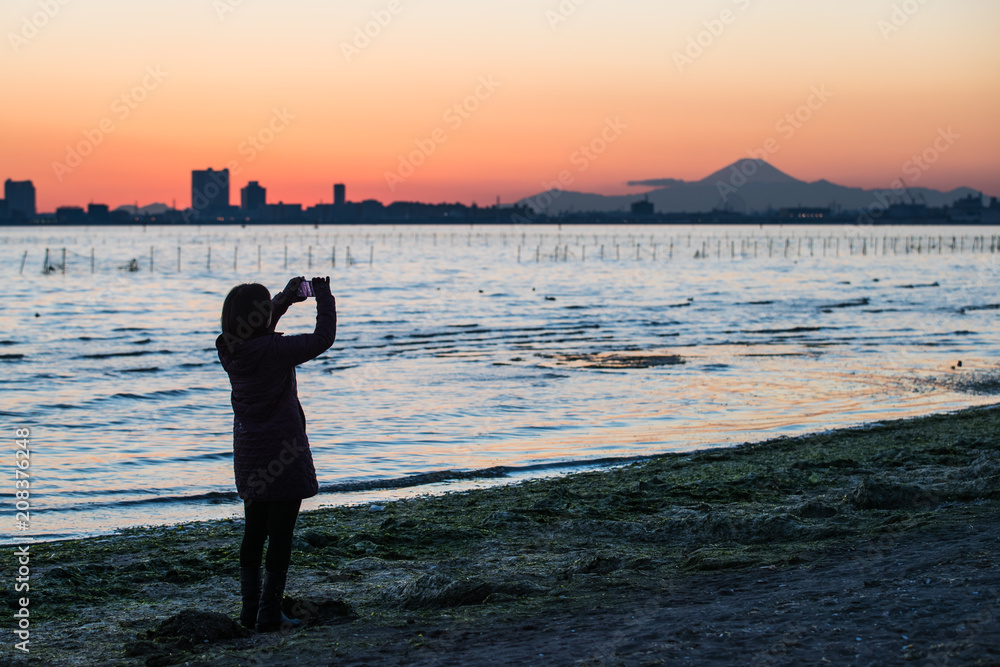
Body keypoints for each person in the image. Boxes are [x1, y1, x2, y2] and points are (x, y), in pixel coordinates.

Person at [216, 276, 336, 632]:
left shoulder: (230, 350)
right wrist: (324, 298)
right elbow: (322, 339)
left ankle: (250, 611)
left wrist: (282, 300)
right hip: (283, 455)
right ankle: (269, 613)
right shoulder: (274, 350)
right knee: (281, 534)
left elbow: (258, 332)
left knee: (254, 532)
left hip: (250, 457)